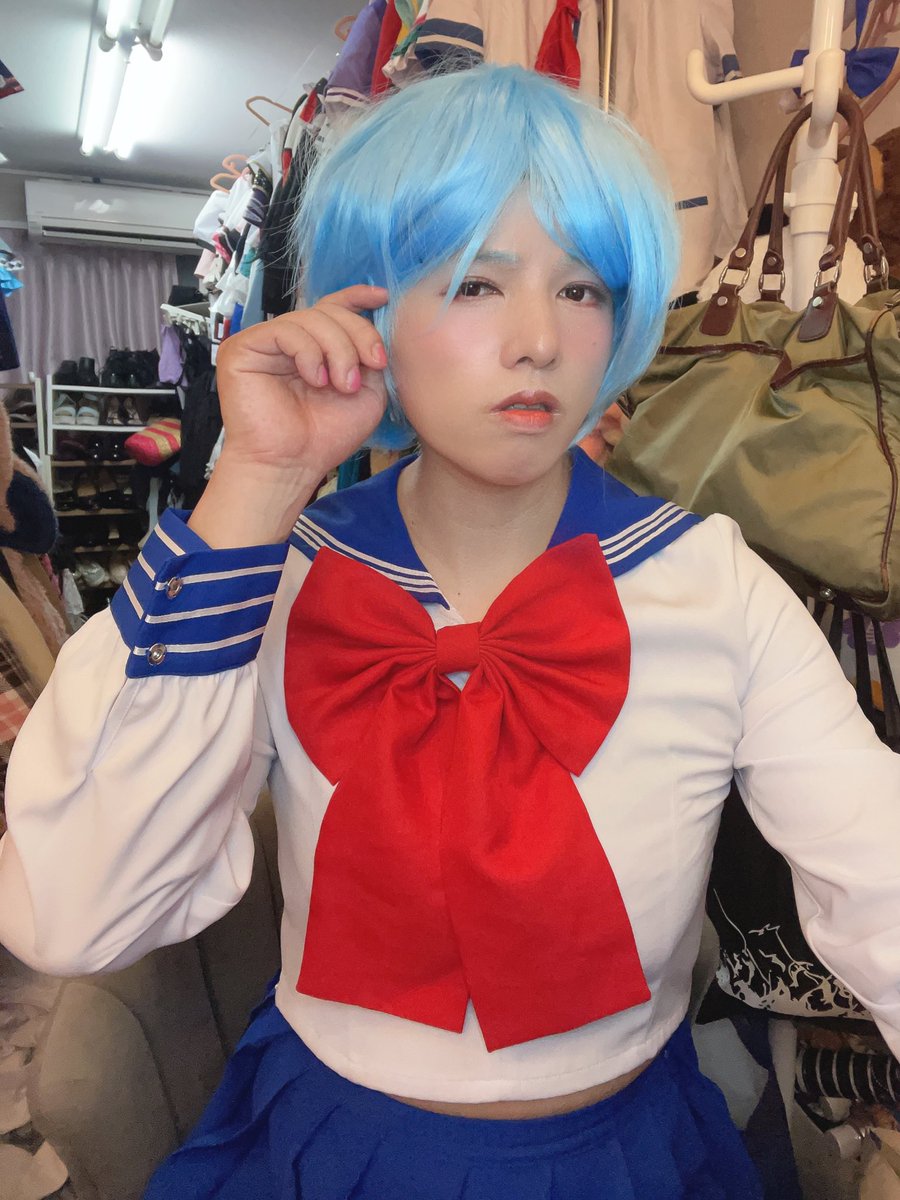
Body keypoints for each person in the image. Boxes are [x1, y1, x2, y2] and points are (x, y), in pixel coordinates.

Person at [0, 64, 898, 1200]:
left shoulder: (712, 584)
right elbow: (75, 912)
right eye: (476, 282)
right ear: (368, 308)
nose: (539, 340)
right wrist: (253, 483)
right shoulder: (272, 571)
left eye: (582, 289)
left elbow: (879, 867)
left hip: (629, 1158)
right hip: (326, 1152)